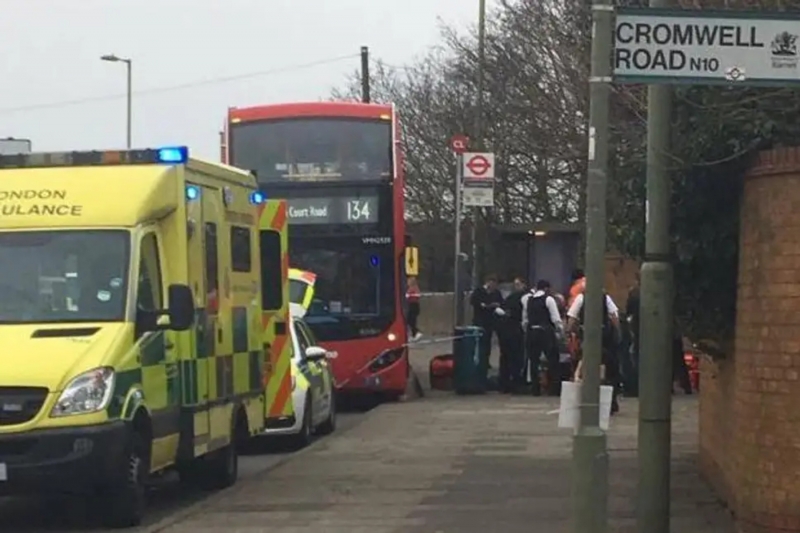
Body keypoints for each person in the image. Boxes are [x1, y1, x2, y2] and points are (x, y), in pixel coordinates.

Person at [566, 287, 621, 414]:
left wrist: (569, 331)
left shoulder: (581, 298)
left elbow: (572, 317)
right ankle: (611, 401)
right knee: (609, 369)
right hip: (605, 338)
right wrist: (617, 332)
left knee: (584, 365)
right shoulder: (605, 297)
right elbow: (614, 316)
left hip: (587, 337)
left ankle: (584, 398)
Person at [521, 280, 563, 396]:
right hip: (545, 332)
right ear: (546, 288)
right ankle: (554, 388)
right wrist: (560, 330)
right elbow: (555, 318)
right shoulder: (549, 300)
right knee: (553, 359)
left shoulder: (528, 300)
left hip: (532, 332)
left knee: (534, 361)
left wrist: (526, 330)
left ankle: (535, 389)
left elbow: (525, 319)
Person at [497, 277, 527, 393]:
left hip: (508, 330)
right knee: (514, 357)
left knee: (507, 357)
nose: (516, 287)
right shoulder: (520, 297)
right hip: (513, 330)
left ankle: (505, 383)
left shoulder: (515, 297)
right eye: (515, 284)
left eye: (518, 284)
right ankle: (514, 383)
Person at [470, 274, 503, 378]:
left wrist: (496, 305)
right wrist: (483, 305)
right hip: (480, 320)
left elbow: (501, 303)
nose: (493, 287)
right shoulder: (479, 291)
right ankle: (478, 360)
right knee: (479, 342)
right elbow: (473, 302)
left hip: (490, 321)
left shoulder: (496, 293)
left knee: (487, 342)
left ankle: (486, 361)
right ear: (488, 282)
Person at [406, 276, 422, 341]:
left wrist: (409, 296)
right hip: (410, 305)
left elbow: (418, 295)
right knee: (409, 320)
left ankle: (416, 333)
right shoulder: (409, 288)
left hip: (414, 305)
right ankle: (414, 334)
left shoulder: (415, 288)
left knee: (412, 320)